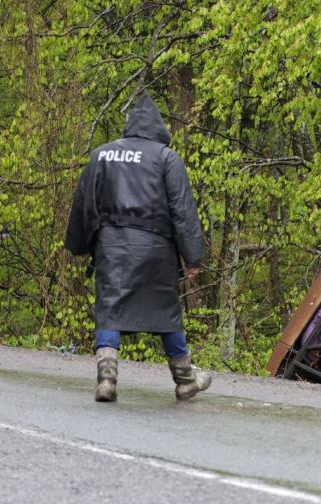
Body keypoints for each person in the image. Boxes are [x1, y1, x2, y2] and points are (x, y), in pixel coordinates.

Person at [65, 92, 211, 402]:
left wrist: (78, 244)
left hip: (112, 246)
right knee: (166, 311)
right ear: (158, 129)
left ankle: (106, 378)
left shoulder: (101, 155)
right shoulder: (165, 158)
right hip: (155, 248)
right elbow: (182, 210)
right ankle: (185, 380)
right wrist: (192, 256)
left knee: (109, 307)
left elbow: (83, 203)